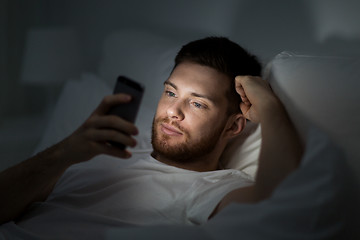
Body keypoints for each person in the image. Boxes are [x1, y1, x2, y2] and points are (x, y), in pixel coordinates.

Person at [0, 37, 302, 231]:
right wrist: (64, 152)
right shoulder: (92, 153)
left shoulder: (215, 189)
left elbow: (282, 208)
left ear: (233, 126)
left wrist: (270, 106)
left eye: (197, 103)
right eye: (171, 92)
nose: (173, 111)